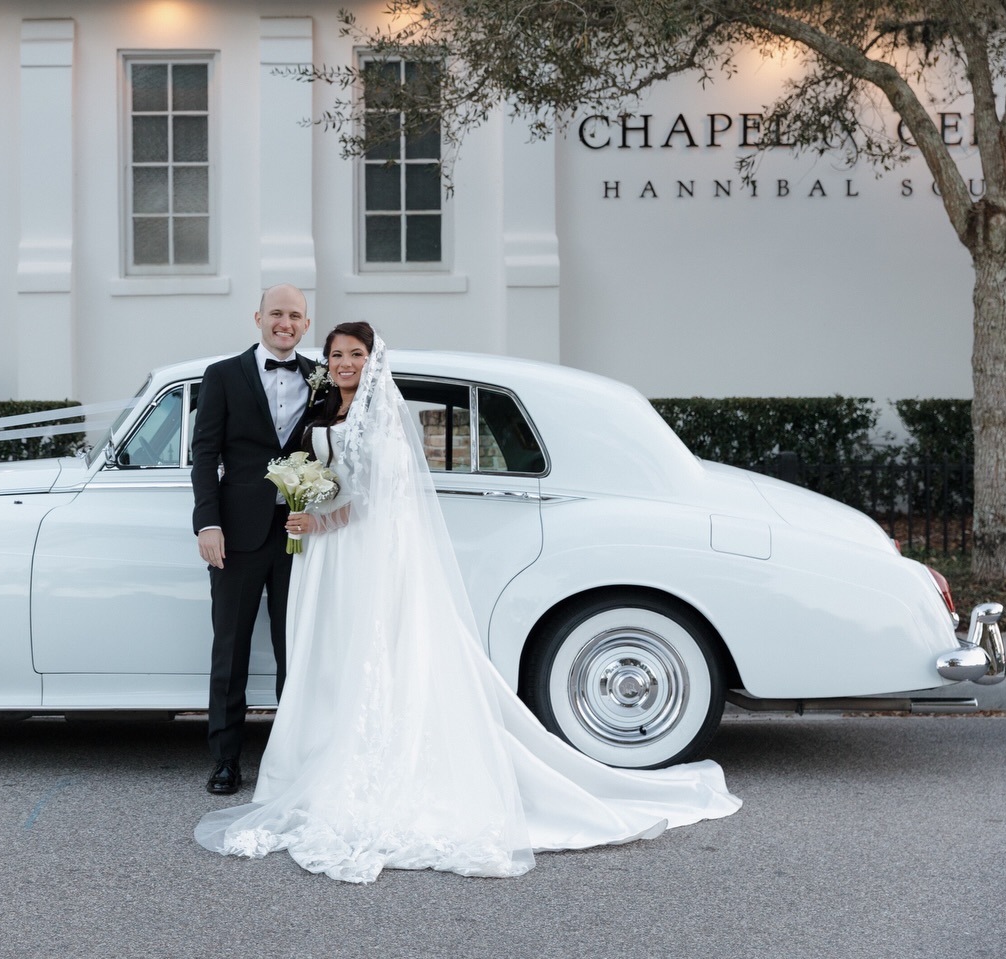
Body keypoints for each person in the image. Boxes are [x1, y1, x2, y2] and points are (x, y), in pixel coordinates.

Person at [195, 322, 741, 883]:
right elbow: (307, 469)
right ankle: (311, 751)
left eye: (355, 354)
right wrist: (304, 506)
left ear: (373, 360)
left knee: (371, 654)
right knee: (326, 658)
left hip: (358, 551)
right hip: (322, 557)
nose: (344, 363)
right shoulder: (323, 407)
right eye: (336, 355)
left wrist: (318, 518)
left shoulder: (382, 420)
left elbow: (380, 497)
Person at [191, 283, 317, 795]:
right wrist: (208, 522)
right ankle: (225, 760)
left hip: (301, 535)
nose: (284, 323)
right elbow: (204, 455)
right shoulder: (222, 375)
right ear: (258, 317)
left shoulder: (323, 377)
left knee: (296, 651)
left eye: (295, 316)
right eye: (276, 314)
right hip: (236, 536)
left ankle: (291, 760)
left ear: (305, 324)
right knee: (231, 648)